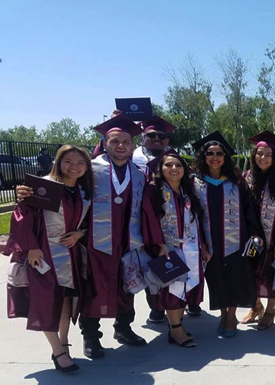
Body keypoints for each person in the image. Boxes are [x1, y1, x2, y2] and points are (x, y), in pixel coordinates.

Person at [4, 145, 94, 372]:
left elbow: (89, 221)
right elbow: (21, 215)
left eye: (80, 162)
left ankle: (63, 342)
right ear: (58, 162)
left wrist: (80, 233)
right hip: (43, 254)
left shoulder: (83, 191)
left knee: (66, 301)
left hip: (70, 254)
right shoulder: (44, 187)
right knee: (47, 302)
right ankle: (57, 351)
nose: (74, 167)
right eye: (68, 161)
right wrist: (32, 248)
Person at [76, 114, 150, 358]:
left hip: (129, 242)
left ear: (132, 145)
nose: (121, 146)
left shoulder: (139, 173)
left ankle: (123, 328)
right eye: (115, 141)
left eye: (126, 141)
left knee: (126, 287)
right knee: (94, 288)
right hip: (97, 243)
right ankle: (91, 337)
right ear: (105, 143)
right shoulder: (91, 169)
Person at [192, 131, 264, 337]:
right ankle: (223, 314)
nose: (215, 157)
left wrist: (253, 236)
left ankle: (230, 317)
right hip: (210, 242)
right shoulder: (196, 183)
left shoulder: (237, 183)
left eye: (219, 153)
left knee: (234, 279)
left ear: (225, 157)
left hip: (236, 241)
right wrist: (202, 244)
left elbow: (249, 211)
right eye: (210, 153)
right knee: (216, 279)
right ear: (203, 157)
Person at [141, 150, 209, 348]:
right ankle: (176, 328)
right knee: (173, 287)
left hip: (191, 247)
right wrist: (160, 244)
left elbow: (197, 220)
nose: (173, 168)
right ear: (160, 170)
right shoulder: (153, 191)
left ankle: (176, 326)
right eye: (168, 165)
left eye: (178, 165)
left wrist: (203, 244)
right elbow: (150, 220)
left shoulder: (188, 192)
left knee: (187, 286)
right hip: (167, 247)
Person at [241, 131, 275, 330]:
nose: (263, 158)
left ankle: (270, 311)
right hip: (251, 238)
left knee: (270, 275)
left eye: (268, 154)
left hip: (272, 238)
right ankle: (256, 307)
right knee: (250, 273)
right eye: (259, 154)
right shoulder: (248, 177)